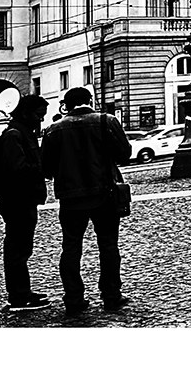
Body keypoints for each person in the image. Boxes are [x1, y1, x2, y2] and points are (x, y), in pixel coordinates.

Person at [41, 87, 132, 316]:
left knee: (71, 248)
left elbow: (46, 169)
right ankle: (111, 295)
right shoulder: (106, 121)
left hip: (71, 199)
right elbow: (124, 154)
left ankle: (74, 298)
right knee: (109, 246)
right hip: (105, 194)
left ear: (66, 105)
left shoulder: (53, 129)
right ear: (89, 101)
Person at [0, 94, 50, 310]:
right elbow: (18, 170)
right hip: (18, 200)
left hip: (24, 199)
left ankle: (23, 291)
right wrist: (43, 168)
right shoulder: (14, 135)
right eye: (39, 116)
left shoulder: (22, 132)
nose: (41, 121)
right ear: (26, 114)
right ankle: (18, 297)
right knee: (17, 250)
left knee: (21, 249)